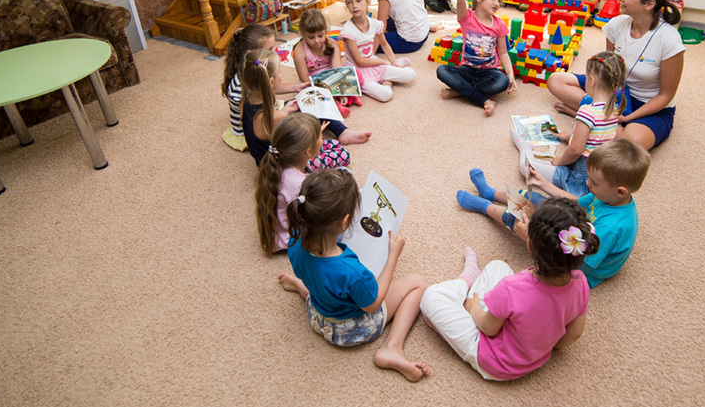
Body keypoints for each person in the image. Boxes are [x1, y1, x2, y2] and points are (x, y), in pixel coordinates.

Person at [277, 169, 430, 382]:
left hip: (317, 314)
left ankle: (304, 289)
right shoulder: (352, 272)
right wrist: (393, 256)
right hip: (351, 330)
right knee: (418, 284)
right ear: (344, 221)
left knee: (319, 284)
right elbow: (372, 305)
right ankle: (392, 348)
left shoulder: (294, 241)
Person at [419, 198, 596, 380]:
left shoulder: (512, 287)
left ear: (529, 245)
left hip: (493, 360)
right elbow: (573, 334)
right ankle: (474, 291)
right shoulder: (581, 282)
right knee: (498, 267)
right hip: (533, 353)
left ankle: (466, 280)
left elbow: (488, 329)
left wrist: (473, 308)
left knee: (430, 296)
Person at [456, 139, 649, 288]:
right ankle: (490, 193)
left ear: (621, 191)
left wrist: (531, 239)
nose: (587, 184)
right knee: (538, 199)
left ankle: (484, 206)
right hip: (580, 231)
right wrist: (544, 185)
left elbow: (578, 263)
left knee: (525, 222)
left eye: (594, 183)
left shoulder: (610, 228)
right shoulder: (608, 196)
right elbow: (574, 203)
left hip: (579, 263)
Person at [547, 0, 684, 150]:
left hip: (649, 106)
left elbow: (666, 95)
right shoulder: (617, 24)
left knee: (629, 144)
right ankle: (599, 120)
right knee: (555, 80)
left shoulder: (669, 40)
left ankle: (590, 119)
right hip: (616, 93)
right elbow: (609, 70)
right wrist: (607, 99)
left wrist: (627, 118)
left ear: (649, 4)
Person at [514, 52, 625, 197]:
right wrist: (567, 136)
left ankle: (525, 147)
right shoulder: (614, 110)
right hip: (601, 171)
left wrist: (560, 161)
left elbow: (575, 150)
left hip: (579, 176)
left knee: (527, 169)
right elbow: (597, 138)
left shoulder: (587, 111)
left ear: (591, 81)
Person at [240, 49, 362, 168]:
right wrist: (317, 133)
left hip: (262, 160)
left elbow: (268, 127)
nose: (282, 76)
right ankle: (340, 132)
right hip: (280, 166)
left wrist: (285, 111)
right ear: (271, 82)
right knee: (341, 153)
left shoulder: (247, 100)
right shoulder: (277, 117)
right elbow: (299, 142)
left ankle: (342, 132)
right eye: (280, 73)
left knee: (310, 101)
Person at [435, 0, 516, 116]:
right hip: (468, 69)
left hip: (490, 72)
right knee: (442, 71)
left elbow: (503, 52)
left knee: (502, 82)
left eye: (499, 0)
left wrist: (510, 74)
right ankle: (483, 99)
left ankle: (460, 92)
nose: (497, 3)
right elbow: (460, 2)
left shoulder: (500, 25)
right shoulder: (467, 18)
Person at [255, 113, 324, 255]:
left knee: (340, 171)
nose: (322, 139)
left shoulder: (277, 163)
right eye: (320, 136)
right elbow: (314, 215)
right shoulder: (298, 184)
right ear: (309, 151)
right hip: (291, 239)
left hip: (284, 228)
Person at [340, 0, 417, 102]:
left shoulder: (375, 24)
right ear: (347, 6)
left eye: (359, 1)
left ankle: (394, 68)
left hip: (374, 63)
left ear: (368, 2)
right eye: (350, 2)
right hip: (358, 70)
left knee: (411, 75)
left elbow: (384, 44)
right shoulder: (348, 31)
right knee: (386, 95)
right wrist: (383, 62)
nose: (354, 5)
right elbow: (359, 61)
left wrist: (393, 62)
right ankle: (388, 80)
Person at [222, 24, 277, 151]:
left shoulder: (253, 68)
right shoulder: (241, 85)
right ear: (251, 53)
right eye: (269, 50)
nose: (273, 53)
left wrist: (297, 87)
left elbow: (273, 89)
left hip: (258, 111)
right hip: (246, 128)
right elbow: (246, 118)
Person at [292, 9, 354, 118]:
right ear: (302, 33)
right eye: (311, 37)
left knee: (355, 74)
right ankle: (336, 106)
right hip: (313, 81)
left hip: (332, 77)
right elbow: (304, 79)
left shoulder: (333, 44)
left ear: (326, 31)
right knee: (308, 97)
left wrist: (341, 91)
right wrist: (325, 88)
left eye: (320, 36)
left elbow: (337, 70)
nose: (316, 41)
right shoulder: (299, 49)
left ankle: (344, 100)